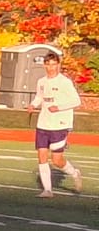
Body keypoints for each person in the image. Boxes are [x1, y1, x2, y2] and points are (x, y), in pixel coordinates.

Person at [29, 49, 83, 197]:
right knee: (41, 155)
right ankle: (47, 190)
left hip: (60, 124)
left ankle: (74, 172)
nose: (50, 67)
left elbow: (77, 101)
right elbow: (39, 97)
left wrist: (58, 107)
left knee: (57, 160)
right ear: (44, 66)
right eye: (47, 64)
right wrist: (33, 105)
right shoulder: (41, 81)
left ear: (58, 65)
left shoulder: (65, 82)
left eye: (53, 64)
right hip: (43, 123)